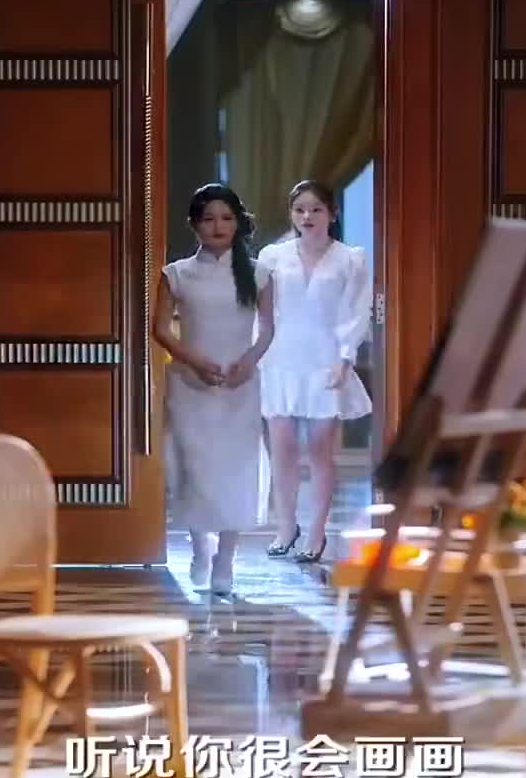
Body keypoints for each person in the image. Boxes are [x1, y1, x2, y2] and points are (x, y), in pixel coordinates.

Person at [153, 184, 274, 595]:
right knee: (194, 470)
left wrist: (249, 361)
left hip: (240, 385)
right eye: (208, 219)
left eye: (226, 218)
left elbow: (268, 329)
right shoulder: (176, 273)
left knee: (236, 470)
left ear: (238, 222)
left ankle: (226, 558)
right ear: (194, 224)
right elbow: (160, 329)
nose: (218, 226)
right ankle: (199, 547)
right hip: (191, 384)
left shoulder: (258, 273)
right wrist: (193, 361)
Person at [256, 180, 372, 563]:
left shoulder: (350, 259)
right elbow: (261, 312)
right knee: (282, 450)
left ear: (331, 214)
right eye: (299, 210)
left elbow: (356, 312)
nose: (307, 216)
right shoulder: (272, 256)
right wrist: (254, 353)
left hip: (325, 360)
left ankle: (317, 532)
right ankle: (285, 527)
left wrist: (345, 358)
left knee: (320, 451)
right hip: (280, 358)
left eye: (316, 209)